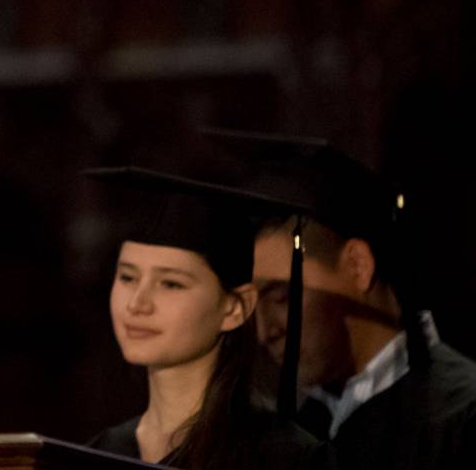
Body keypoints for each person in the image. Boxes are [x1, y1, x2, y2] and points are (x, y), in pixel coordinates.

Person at [203, 130, 475, 470]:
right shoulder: (301, 425)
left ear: (358, 266)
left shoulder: (460, 417)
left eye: (283, 297)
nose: (264, 332)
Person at [84, 167, 331, 469]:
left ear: (235, 307)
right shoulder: (102, 451)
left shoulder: (283, 459)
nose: (137, 304)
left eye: (171, 283)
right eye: (127, 277)